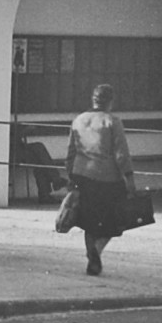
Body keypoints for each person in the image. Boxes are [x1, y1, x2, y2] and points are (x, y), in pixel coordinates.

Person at [63, 83, 140, 276]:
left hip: (82, 175)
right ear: (110, 102)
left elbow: (71, 152)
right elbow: (121, 154)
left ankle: (92, 254)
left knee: (89, 221)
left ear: (93, 99)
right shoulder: (112, 121)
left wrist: (70, 176)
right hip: (107, 179)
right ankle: (96, 252)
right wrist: (129, 179)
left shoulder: (78, 120)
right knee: (114, 221)